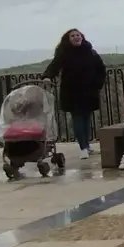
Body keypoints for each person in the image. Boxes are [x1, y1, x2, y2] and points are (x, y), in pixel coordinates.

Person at [42, 28, 106, 160]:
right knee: (77, 118)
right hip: (72, 91)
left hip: (89, 91)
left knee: (87, 118)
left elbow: (101, 68)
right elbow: (54, 65)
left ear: (82, 37)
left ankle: (87, 145)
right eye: (73, 36)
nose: (76, 37)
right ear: (68, 39)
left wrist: (98, 83)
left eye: (78, 35)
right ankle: (83, 147)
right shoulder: (64, 53)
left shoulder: (91, 52)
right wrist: (47, 76)